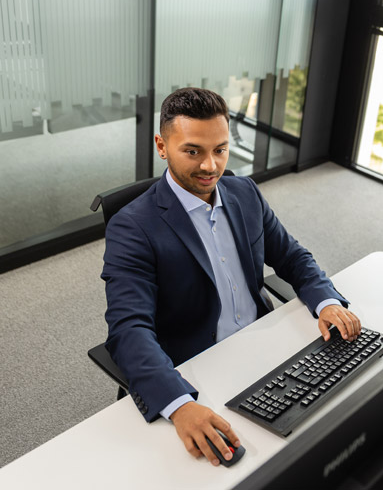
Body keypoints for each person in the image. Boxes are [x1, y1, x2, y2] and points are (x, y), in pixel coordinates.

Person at [101, 87, 362, 466]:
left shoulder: (244, 193)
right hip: (198, 370)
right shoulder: (132, 228)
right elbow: (129, 330)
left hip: (264, 349)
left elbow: (291, 256)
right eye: (193, 151)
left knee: (326, 432)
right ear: (162, 145)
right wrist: (180, 406)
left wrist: (325, 300)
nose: (210, 166)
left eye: (220, 150)